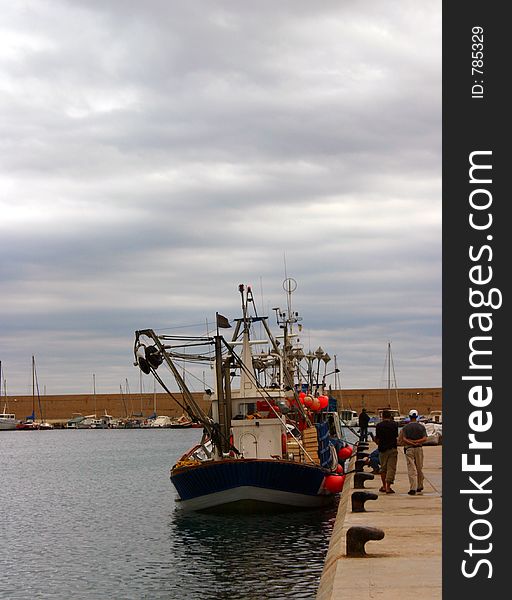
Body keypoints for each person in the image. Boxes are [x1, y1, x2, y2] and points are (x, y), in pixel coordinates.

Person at [400, 409, 428, 495]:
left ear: (409, 417)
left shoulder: (405, 427)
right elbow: (425, 438)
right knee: (419, 467)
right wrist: (417, 442)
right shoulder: (421, 427)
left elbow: (403, 439)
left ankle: (413, 488)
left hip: (409, 449)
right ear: (417, 416)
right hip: (419, 448)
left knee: (411, 468)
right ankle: (420, 485)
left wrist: (411, 442)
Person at [375, 409, 399, 494]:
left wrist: (378, 443)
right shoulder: (394, 425)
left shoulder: (379, 425)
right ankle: (389, 487)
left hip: (382, 449)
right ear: (390, 416)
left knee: (383, 468)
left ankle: (384, 486)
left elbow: (377, 438)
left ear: (382, 416)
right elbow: (396, 436)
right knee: (391, 468)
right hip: (392, 448)